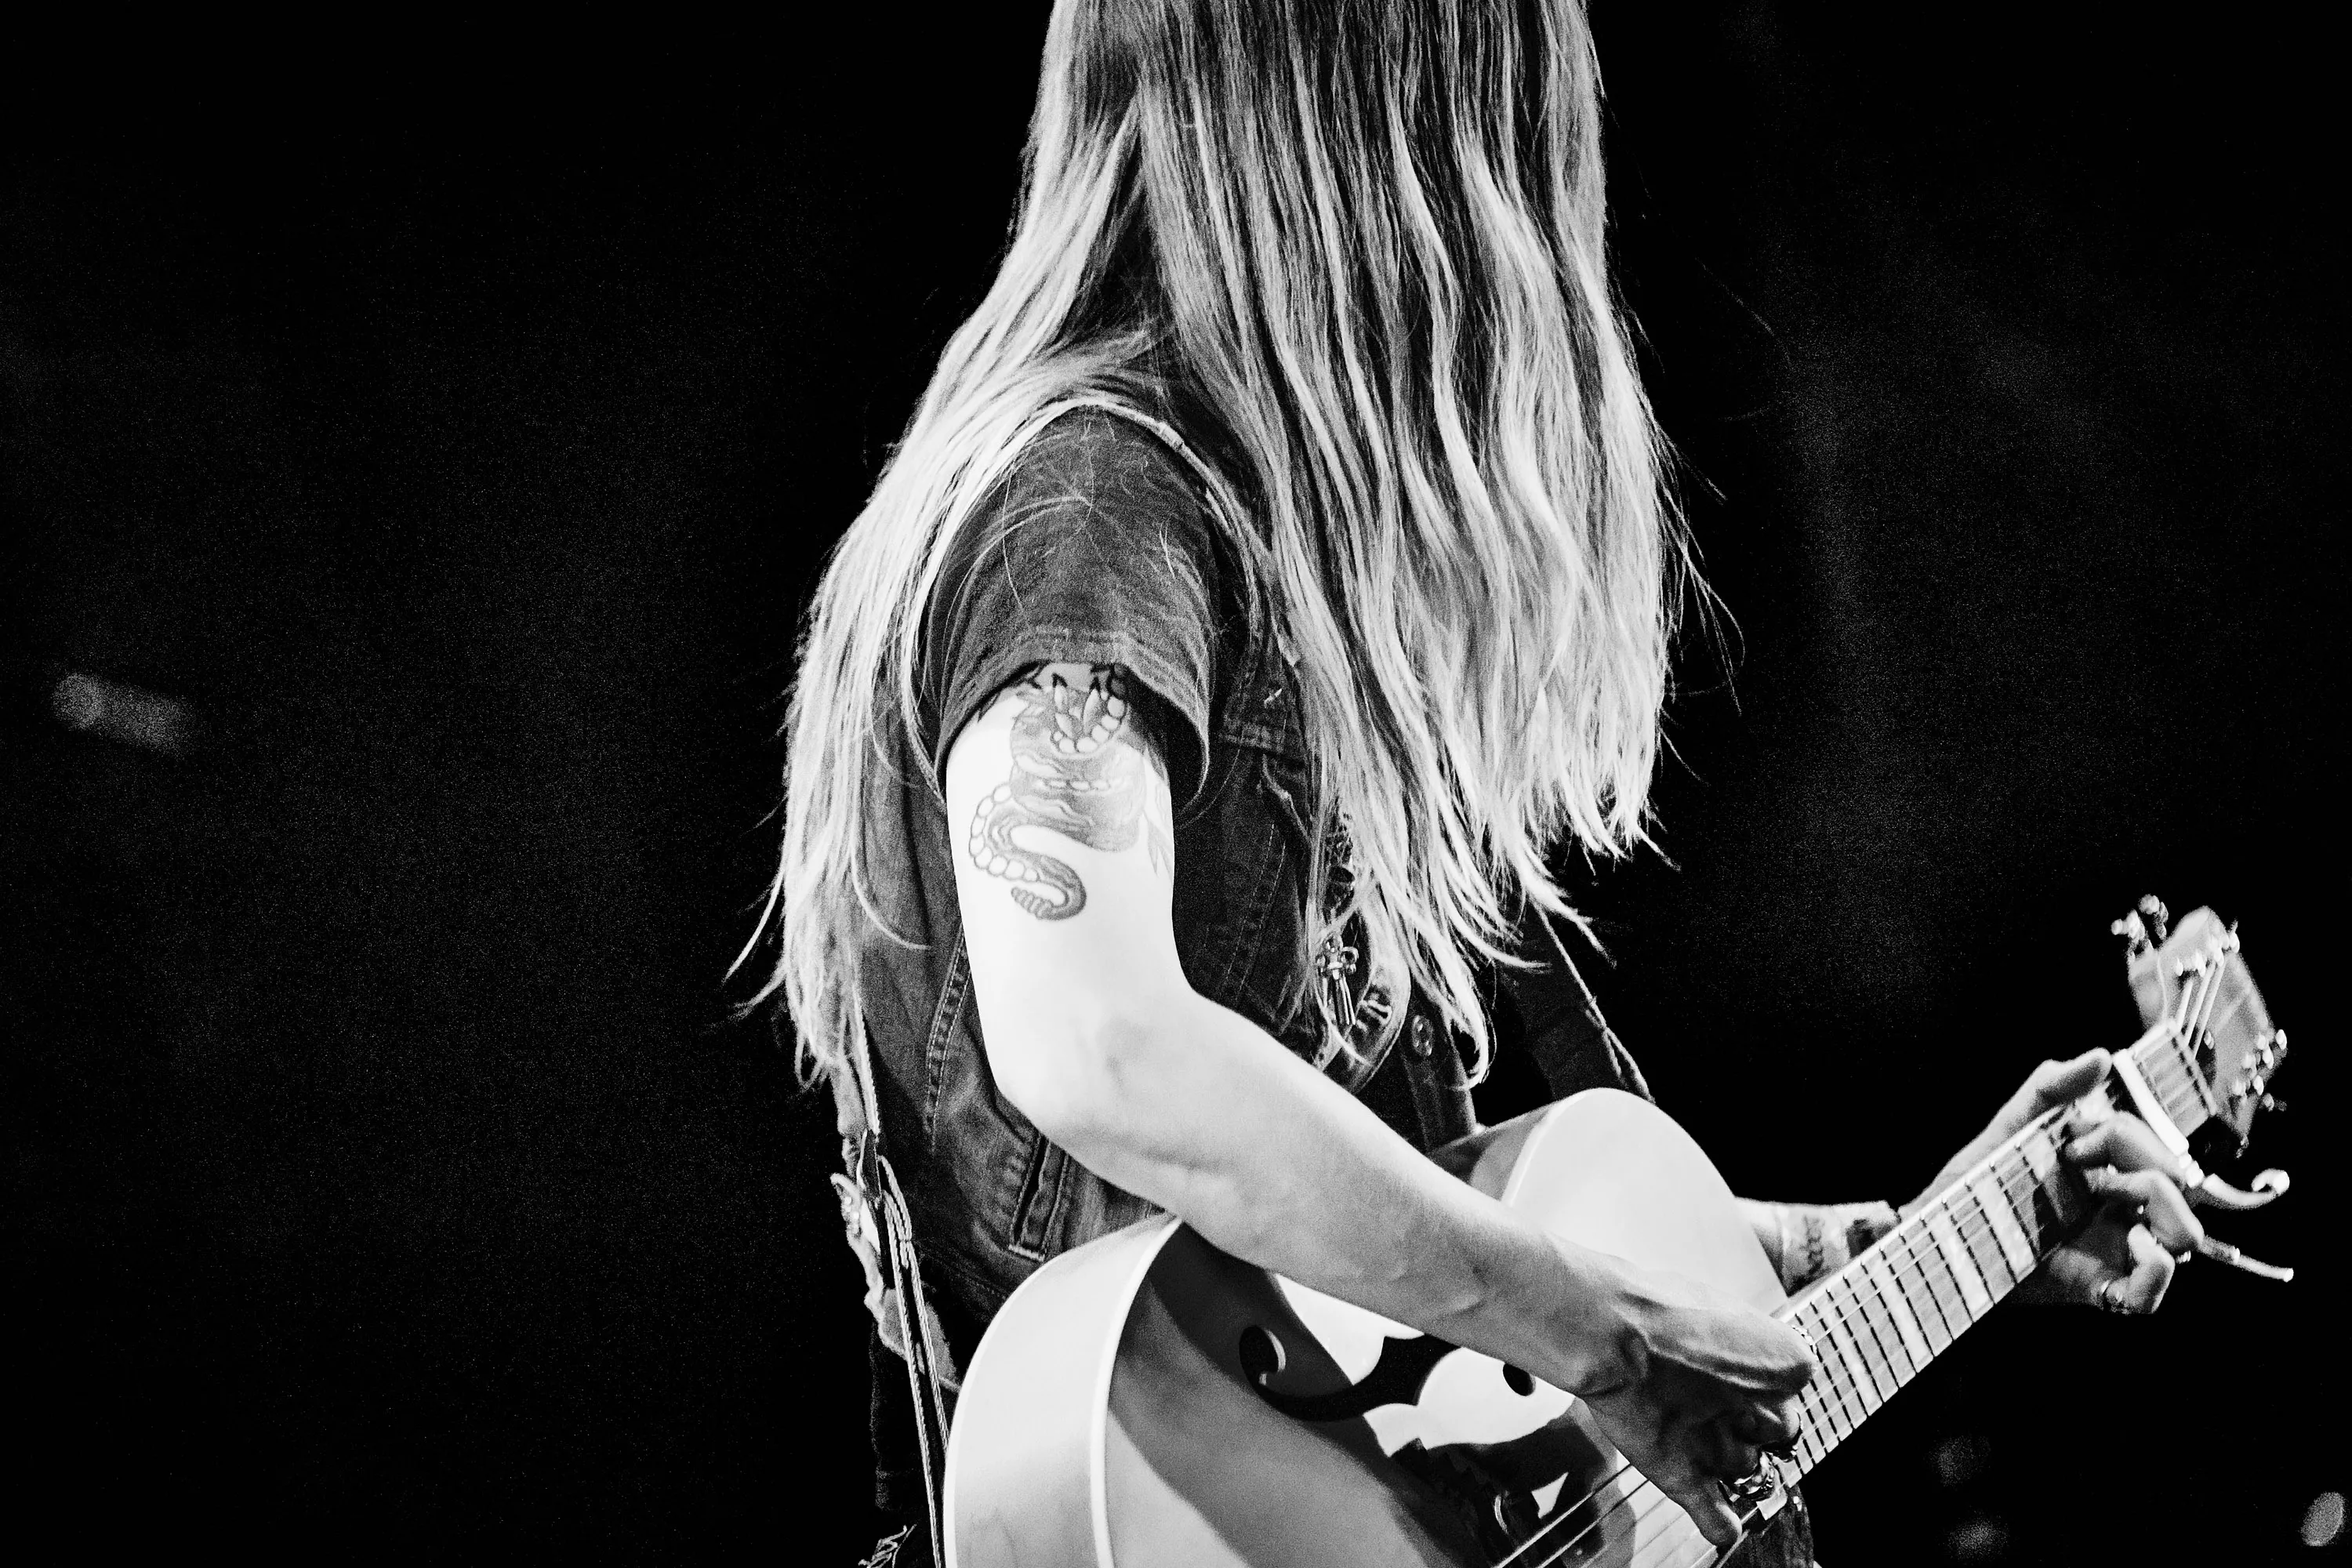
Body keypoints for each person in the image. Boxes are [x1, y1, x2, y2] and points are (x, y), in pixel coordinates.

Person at [746, 2, 2205, 1562]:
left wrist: (1916, 1239)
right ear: (1405, 139)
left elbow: (1400, 1340)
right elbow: (1097, 1043)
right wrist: (1609, 1341)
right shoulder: (1095, 503)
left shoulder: (1240, 561)